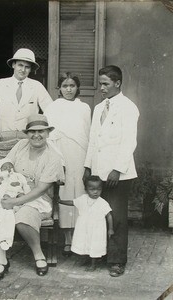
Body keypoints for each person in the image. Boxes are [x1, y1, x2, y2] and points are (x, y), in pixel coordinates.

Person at [0, 114, 65, 282]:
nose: (36, 135)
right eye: (32, 132)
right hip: (13, 192)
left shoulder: (53, 157)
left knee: (23, 219)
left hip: (38, 199)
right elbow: (6, 166)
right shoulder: (21, 145)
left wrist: (14, 203)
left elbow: (40, 190)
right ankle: (1, 261)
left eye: (41, 131)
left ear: (48, 133)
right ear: (27, 134)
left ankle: (38, 255)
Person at [83, 65, 139, 277]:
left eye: (106, 84)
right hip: (98, 172)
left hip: (118, 174)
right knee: (98, 214)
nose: (102, 88)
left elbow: (129, 142)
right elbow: (92, 141)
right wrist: (87, 167)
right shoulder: (98, 108)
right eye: (100, 84)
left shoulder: (128, 107)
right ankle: (99, 253)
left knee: (116, 217)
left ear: (117, 83)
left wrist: (117, 169)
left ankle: (117, 261)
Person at [44, 72, 91, 256]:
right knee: (63, 193)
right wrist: (58, 160)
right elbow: (50, 136)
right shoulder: (52, 108)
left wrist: (88, 162)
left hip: (79, 154)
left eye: (72, 86)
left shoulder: (84, 108)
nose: (69, 89)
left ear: (77, 87)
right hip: (60, 153)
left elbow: (87, 134)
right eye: (65, 86)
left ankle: (80, 239)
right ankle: (66, 239)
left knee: (79, 192)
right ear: (59, 88)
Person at [0, 48, 53, 142]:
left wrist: (41, 133)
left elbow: (51, 111)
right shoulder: (1, 84)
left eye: (27, 67)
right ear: (13, 65)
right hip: (4, 138)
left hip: (28, 139)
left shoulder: (37, 86)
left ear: (30, 69)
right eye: (20, 65)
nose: (23, 70)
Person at [58, 176, 114, 271]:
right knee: (85, 243)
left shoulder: (102, 202)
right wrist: (60, 201)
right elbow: (72, 202)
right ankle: (86, 259)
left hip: (97, 229)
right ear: (86, 189)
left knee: (94, 245)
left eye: (98, 189)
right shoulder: (83, 199)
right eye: (92, 189)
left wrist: (110, 229)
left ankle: (93, 264)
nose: (95, 192)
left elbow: (109, 215)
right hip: (84, 228)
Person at [0, 158, 31, 251]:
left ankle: (5, 239)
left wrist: (26, 194)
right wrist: (5, 180)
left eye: (10, 166)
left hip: (18, 197)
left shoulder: (18, 176)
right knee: (7, 215)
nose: (8, 168)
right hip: (8, 197)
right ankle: (5, 239)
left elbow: (25, 185)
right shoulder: (0, 178)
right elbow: (0, 192)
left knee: (21, 196)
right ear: (0, 169)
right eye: (5, 167)